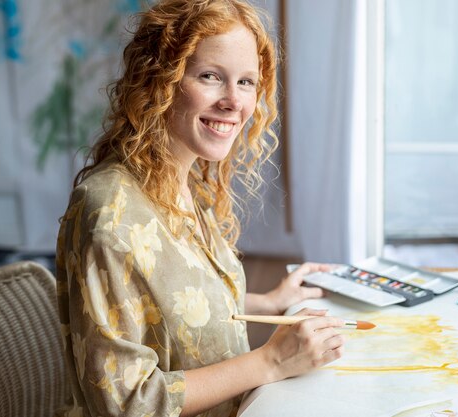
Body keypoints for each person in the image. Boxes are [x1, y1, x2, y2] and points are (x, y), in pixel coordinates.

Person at [55, 1, 346, 416]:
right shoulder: (111, 215)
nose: (233, 101)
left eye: (246, 82)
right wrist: (271, 361)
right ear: (159, 80)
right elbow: (124, 405)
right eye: (211, 76)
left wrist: (266, 303)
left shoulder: (179, 180)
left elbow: (169, 306)